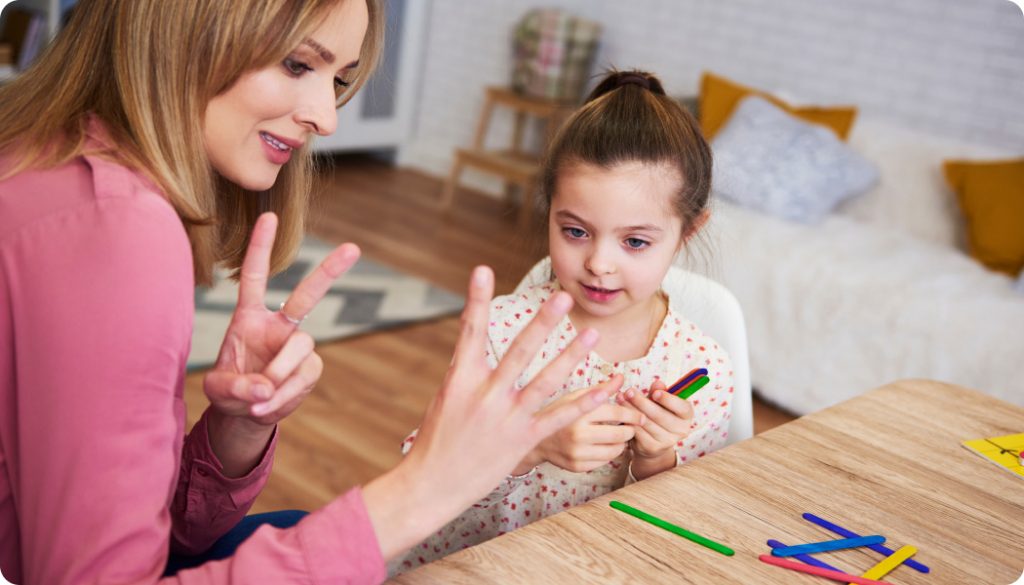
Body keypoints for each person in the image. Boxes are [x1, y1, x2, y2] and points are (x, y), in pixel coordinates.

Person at [0, 1, 623, 583]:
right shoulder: (116, 231)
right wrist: (423, 489)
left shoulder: (43, 154)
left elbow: (161, 535)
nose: (325, 117)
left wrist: (236, 430)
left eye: (338, 81)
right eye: (298, 64)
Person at [392, 70, 735, 573]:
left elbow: (679, 535)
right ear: (549, 209)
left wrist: (655, 461)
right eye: (575, 231)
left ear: (688, 232)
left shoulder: (702, 367)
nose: (599, 262)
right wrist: (533, 445)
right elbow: (418, 473)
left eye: (635, 242)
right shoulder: (505, 330)